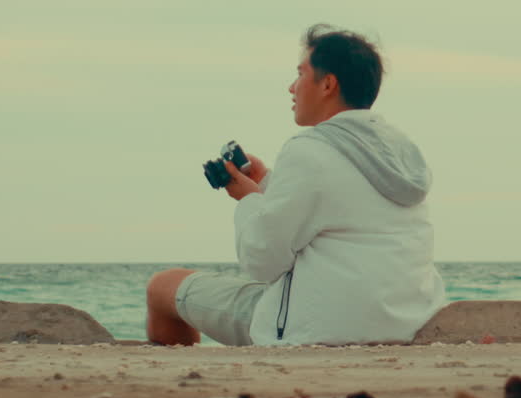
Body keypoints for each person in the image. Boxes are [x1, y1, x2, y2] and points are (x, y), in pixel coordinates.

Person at [145, 24, 447, 346]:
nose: (292, 87)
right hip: (404, 324)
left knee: (163, 286)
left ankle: (189, 388)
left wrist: (248, 199)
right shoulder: (398, 152)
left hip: (316, 327)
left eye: (300, 74)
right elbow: (341, 203)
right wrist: (266, 182)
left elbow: (261, 260)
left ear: (328, 84)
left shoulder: (308, 149)